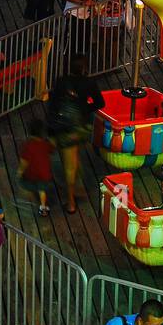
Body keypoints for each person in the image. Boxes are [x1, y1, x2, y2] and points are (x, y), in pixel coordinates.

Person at [46, 54, 104, 213]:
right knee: (75, 156)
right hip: (82, 128)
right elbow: (100, 103)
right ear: (84, 68)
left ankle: (71, 202)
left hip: (66, 130)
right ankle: (79, 188)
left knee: (68, 166)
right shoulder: (89, 83)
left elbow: (53, 105)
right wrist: (85, 109)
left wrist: (50, 130)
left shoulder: (61, 82)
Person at [18, 116, 53, 216]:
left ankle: (30, 198)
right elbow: (51, 149)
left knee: (24, 184)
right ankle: (43, 207)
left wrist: (20, 172)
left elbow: (24, 162)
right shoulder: (45, 144)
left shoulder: (28, 146)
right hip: (45, 175)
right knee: (42, 189)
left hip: (32, 175)